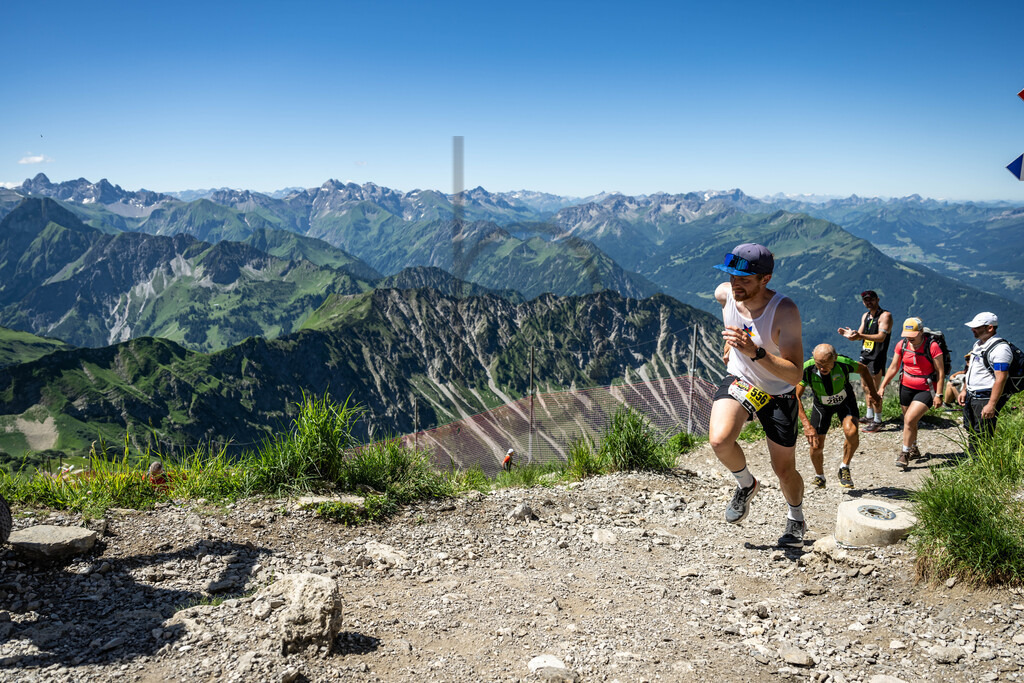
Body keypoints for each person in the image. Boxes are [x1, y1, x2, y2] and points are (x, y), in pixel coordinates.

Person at [708, 243, 806, 548]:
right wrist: (730, 344)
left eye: (744, 280)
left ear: (766, 279)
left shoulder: (784, 311)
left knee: (784, 470)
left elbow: (795, 374)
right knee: (719, 441)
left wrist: (755, 352)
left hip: (778, 392)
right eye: (732, 277)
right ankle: (746, 484)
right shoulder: (725, 294)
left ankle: (796, 517)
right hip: (742, 381)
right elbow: (731, 313)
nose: (735, 285)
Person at [796, 344, 880, 490]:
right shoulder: (807, 369)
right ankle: (820, 477)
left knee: (852, 432)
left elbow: (863, 369)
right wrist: (806, 425)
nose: (822, 368)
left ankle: (844, 467)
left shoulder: (843, 363)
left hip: (845, 402)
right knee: (816, 444)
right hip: (822, 406)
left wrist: (873, 393)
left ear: (834, 358)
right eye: (819, 364)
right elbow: (796, 397)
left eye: (826, 364)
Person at [877, 317, 945, 469]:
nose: (909, 338)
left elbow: (941, 372)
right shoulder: (902, 345)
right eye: (907, 335)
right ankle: (914, 448)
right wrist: (882, 386)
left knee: (909, 419)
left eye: (913, 335)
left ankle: (904, 453)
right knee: (910, 421)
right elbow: (893, 367)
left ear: (921, 332)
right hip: (906, 386)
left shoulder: (932, 346)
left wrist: (939, 394)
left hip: (926, 388)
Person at [837, 290, 892, 433]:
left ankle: (878, 420)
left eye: (871, 299)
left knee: (874, 390)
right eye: (866, 300)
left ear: (877, 299)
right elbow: (860, 334)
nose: (869, 302)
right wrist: (852, 335)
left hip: (877, 356)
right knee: (865, 386)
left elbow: (881, 337)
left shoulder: (885, 316)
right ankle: (869, 415)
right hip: (865, 354)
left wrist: (860, 336)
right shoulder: (865, 316)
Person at [958, 312, 1012, 455]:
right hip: (972, 395)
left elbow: (1001, 378)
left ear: (990, 328)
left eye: (977, 327)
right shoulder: (978, 345)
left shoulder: (1000, 349)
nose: (972, 329)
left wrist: (991, 404)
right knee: (971, 429)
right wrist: (964, 389)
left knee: (983, 433)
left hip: (985, 397)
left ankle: (981, 463)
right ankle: (974, 459)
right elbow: (972, 370)